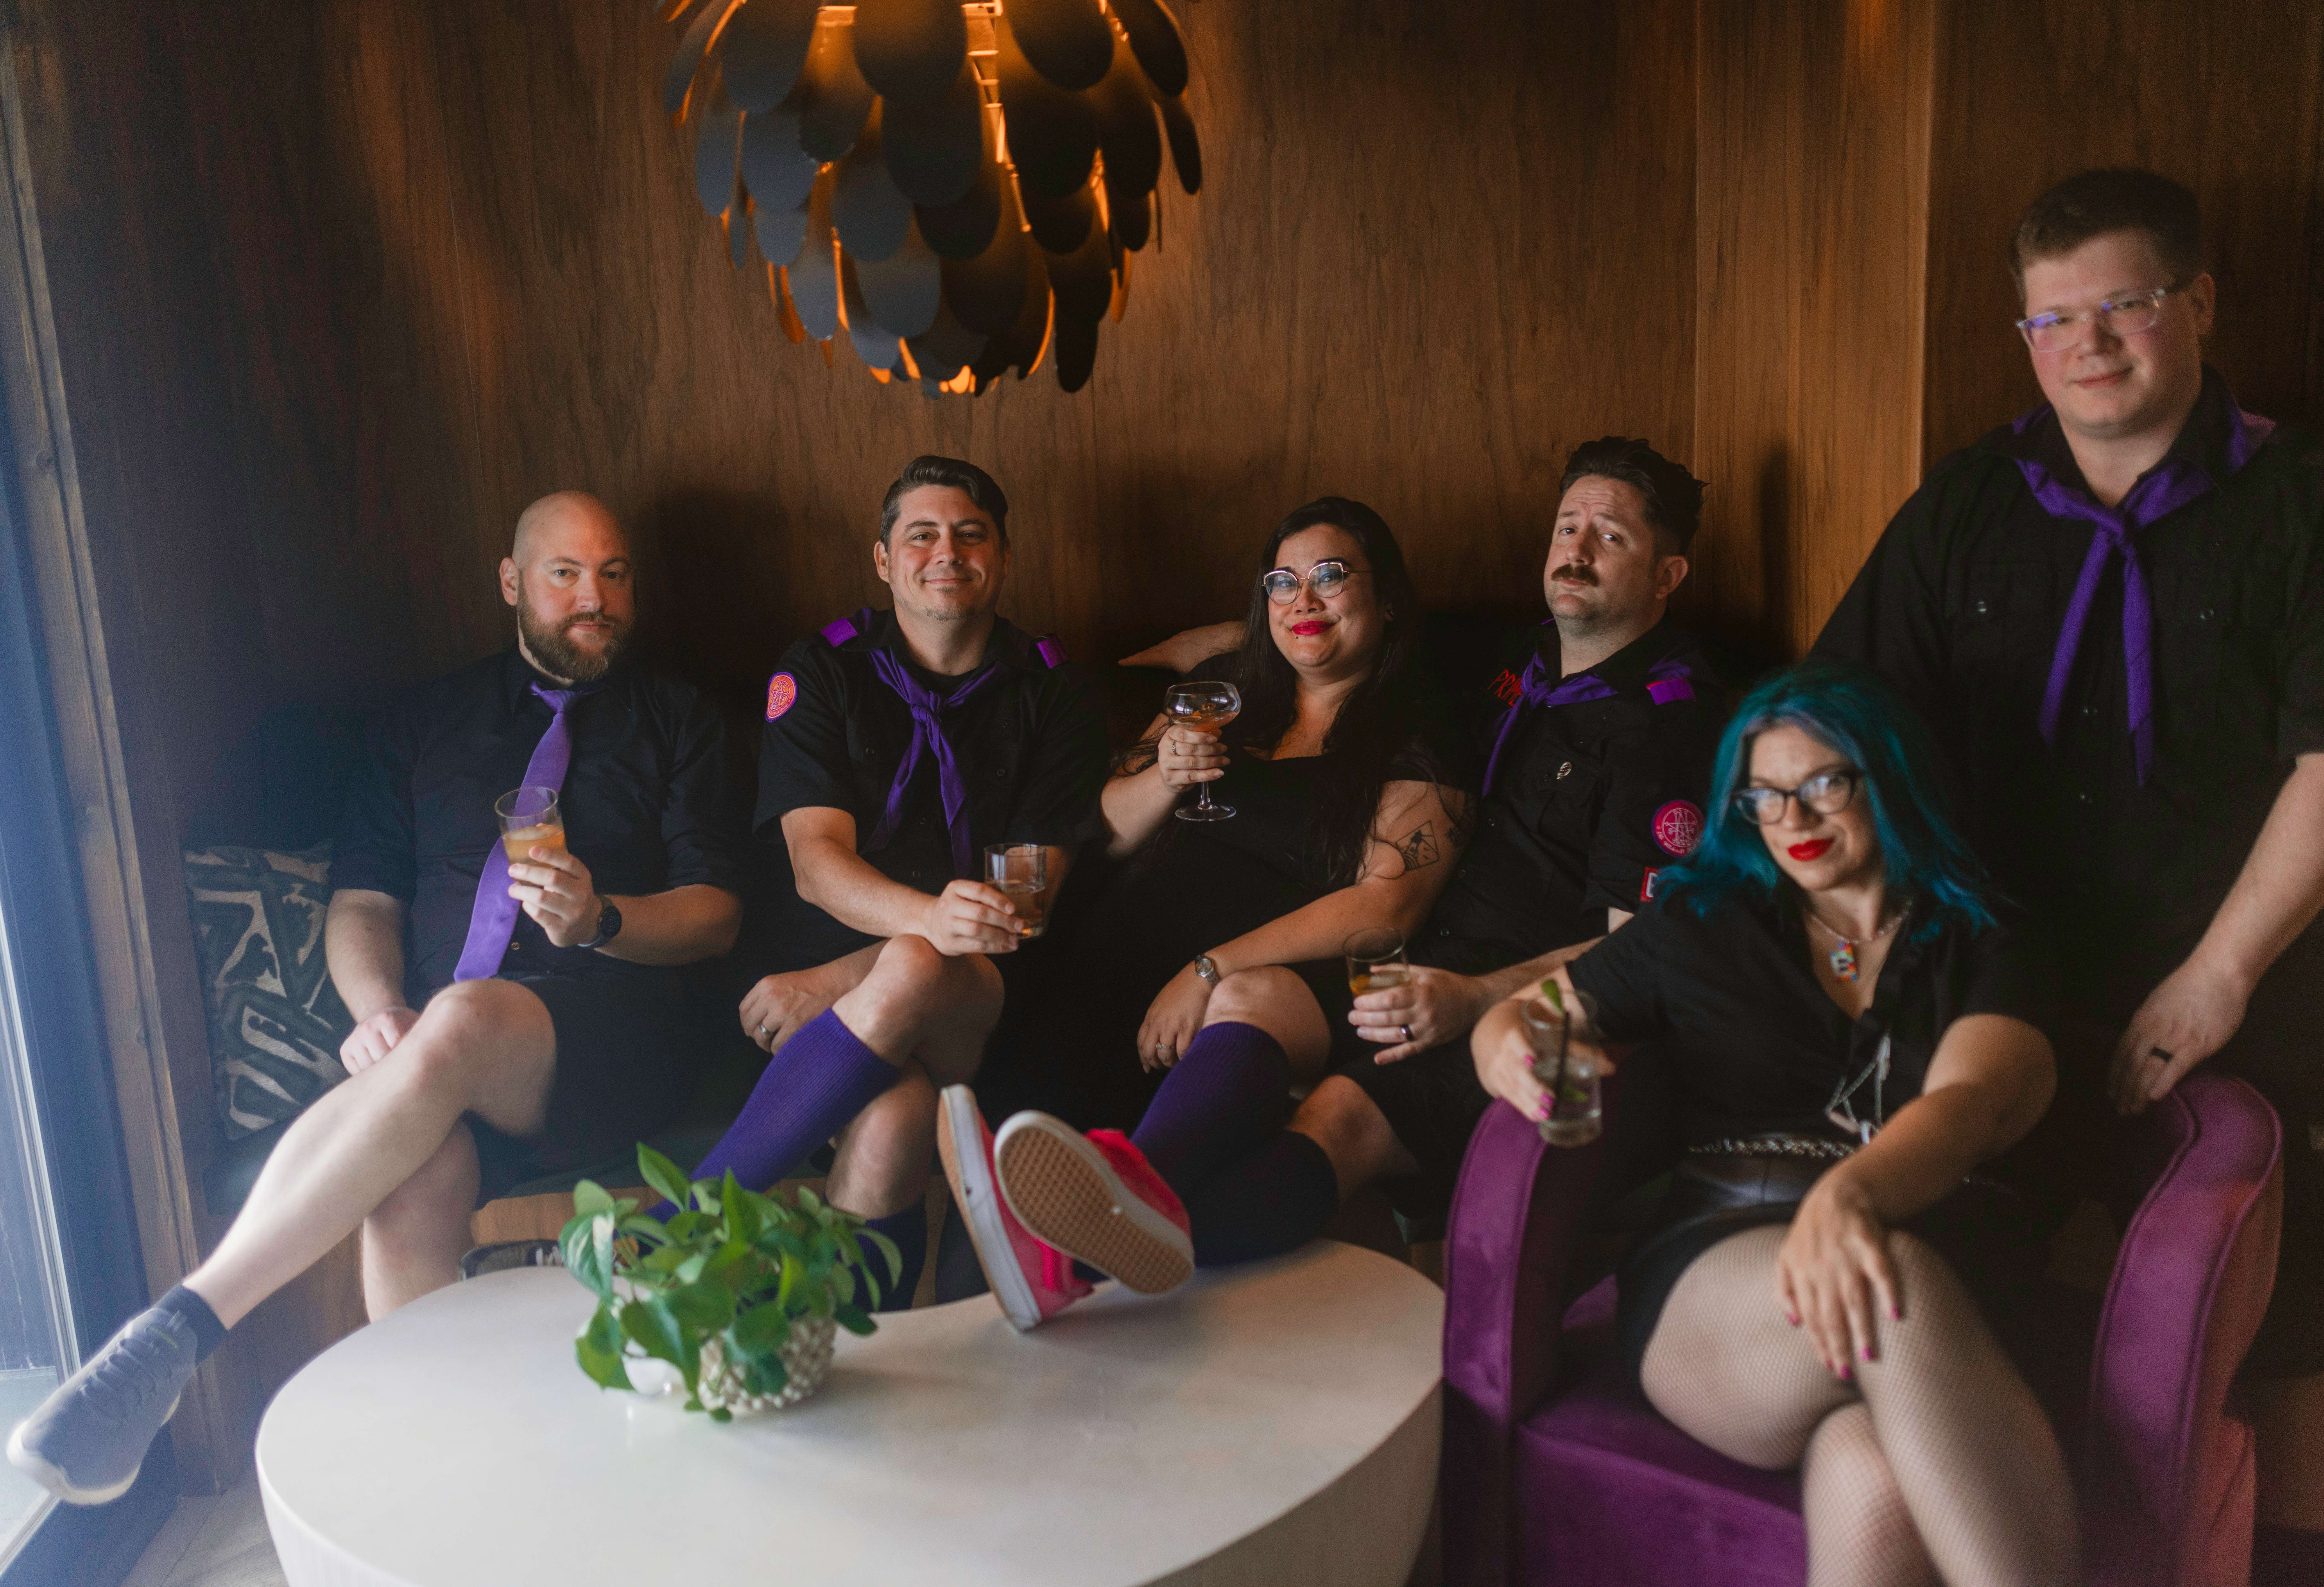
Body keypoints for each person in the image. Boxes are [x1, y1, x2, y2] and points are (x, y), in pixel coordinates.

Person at [8, 492, 747, 1504]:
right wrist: (376, 1014)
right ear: (512, 583)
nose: (595, 597)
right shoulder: (422, 723)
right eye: (565, 573)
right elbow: (361, 903)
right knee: (412, 1173)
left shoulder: (682, 719)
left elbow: (715, 916)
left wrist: (603, 918)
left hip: (618, 1033)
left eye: (614, 574)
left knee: (463, 1021)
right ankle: (461, 1494)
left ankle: (176, 1333)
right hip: (443, 1055)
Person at [1811, 167, 2324, 1579]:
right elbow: (1837, 718)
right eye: (2052, 322)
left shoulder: (2300, 499)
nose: (2087, 346)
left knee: (2267, 1344)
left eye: (2123, 306)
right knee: (1981, 1295)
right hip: (1997, 981)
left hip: (2239, 981)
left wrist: (2216, 977)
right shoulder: (1967, 502)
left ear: (2197, 303)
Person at [960, 441, 1727, 1309]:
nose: (1576, 553)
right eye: (1567, 527)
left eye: (1610, 538)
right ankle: (1097, 1220)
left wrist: (1478, 1000)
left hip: (1489, 993)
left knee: (1323, 1109)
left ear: (1668, 576)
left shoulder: (1668, 732)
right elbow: (1342, 620)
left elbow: (1638, 948)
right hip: (1394, 974)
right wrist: (1213, 642)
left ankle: (1081, 1251)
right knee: (1249, 996)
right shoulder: (1528, 656)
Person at [1477, 663, 2078, 1586]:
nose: (1792, 819)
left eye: (1824, 785)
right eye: (1762, 796)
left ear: (1892, 778)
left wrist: (1851, 1197)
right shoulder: (1704, 924)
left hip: (1951, 1266)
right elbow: (1522, 1020)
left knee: (1870, 1477)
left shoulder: (1983, 941)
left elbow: (1974, 1104)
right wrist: (1515, 1054)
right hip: (1726, 1283)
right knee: (1886, 1282)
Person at [936, 497, 1474, 1329]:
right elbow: (1105, 836)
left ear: (1388, 597)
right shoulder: (1225, 697)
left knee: (1050, 1184)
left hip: (1250, 989)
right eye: (1283, 582)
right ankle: (977, 1352)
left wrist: (1210, 967)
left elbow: (1389, 903)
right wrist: (1166, 780)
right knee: (1010, 1154)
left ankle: (1073, 1258)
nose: (1304, 600)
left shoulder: (1416, 729)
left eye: (1331, 577)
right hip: (1113, 961)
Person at [671, 455, 1108, 1310]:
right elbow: (815, 864)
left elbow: (1020, 909)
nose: (947, 552)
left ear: (1004, 559)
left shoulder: (1056, 693)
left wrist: (841, 981)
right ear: (884, 561)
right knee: (896, 1114)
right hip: (840, 997)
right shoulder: (824, 670)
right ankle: (859, 1356)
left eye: (971, 535)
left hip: (985, 992)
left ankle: (685, 1225)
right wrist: (916, 928)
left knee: (914, 968)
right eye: (922, 535)